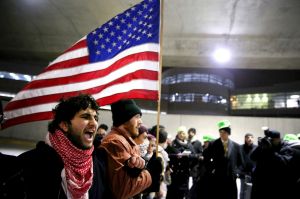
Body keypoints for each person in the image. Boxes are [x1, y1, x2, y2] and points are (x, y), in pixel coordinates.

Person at [18, 94, 108, 199]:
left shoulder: (99, 162)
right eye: (85, 117)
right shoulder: (32, 163)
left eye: (95, 118)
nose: (94, 123)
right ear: (65, 125)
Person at [99, 99, 152, 199]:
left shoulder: (127, 141)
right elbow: (123, 190)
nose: (140, 121)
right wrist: (149, 175)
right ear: (124, 119)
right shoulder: (115, 142)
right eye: (136, 117)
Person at [251, 129, 300, 199]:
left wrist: (270, 151)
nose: (270, 142)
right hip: (260, 186)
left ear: (278, 139)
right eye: (269, 140)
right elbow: (252, 157)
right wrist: (260, 147)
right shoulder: (265, 148)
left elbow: (283, 163)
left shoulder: (286, 149)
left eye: (272, 140)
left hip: (276, 188)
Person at [203, 120, 243, 199]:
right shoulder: (213, 144)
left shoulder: (236, 146)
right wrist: (211, 169)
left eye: (224, 132)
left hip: (231, 178)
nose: (222, 134)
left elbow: (241, 162)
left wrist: (236, 172)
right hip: (217, 177)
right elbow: (205, 158)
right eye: (220, 132)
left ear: (228, 132)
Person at [166, 126, 196, 199]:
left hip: (185, 172)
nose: (182, 135)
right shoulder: (173, 144)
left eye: (183, 133)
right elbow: (167, 155)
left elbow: (194, 155)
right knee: (173, 192)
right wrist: (176, 156)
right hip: (175, 172)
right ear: (178, 134)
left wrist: (188, 156)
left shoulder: (189, 144)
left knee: (183, 193)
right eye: (180, 133)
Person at [239, 133, 257, 199]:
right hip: (243, 173)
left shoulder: (257, 148)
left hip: (254, 174)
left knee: (252, 191)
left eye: (251, 137)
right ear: (245, 139)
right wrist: (239, 171)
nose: (249, 139)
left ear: (253, 138)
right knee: (242, 191)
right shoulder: (240, 148)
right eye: (248, 137)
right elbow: (238, 160)